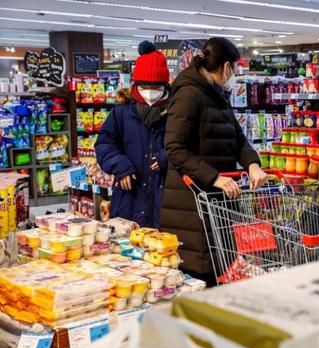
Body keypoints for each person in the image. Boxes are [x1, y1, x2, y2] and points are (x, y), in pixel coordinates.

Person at [160, 37, 267, 286]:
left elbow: (237, 137)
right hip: (191, 203)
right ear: (227, 67)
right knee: (202, 277)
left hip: (216, 200)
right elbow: (175, 148)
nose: (235, 74)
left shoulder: (216, 94)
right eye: (236, 69)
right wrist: (214, 177)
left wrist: (252, 163)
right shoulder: (188, 95)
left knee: (221, 269)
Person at [95, 40, 170, 228]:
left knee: (162, 252)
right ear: (136, 86)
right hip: (129, 199)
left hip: (164, 201)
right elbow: (104, 145)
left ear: (165, 86)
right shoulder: (121, 113)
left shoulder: (177, 112)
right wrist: (120, 165)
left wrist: (167, 157)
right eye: (145, 87)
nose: (150, 93)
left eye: (157, 88)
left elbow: (187, 146)